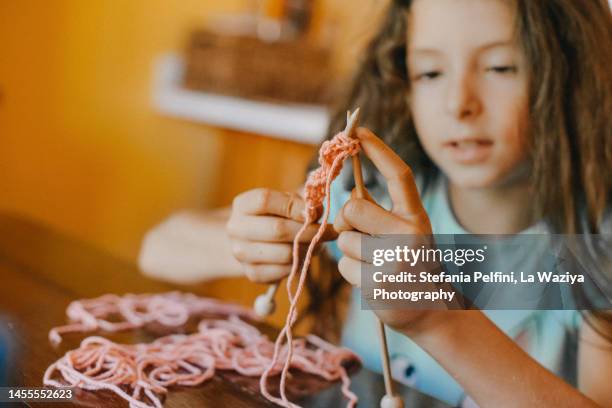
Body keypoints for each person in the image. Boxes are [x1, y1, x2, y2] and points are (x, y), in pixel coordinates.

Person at [139, 0, 612, 406]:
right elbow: (157, 249)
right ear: (403, 83)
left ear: (566, 74)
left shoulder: (592, 249)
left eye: (500, 67)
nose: (458, 103)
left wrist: (437, 318)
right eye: (429, 71)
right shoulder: (368, 205)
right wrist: (244, 238)